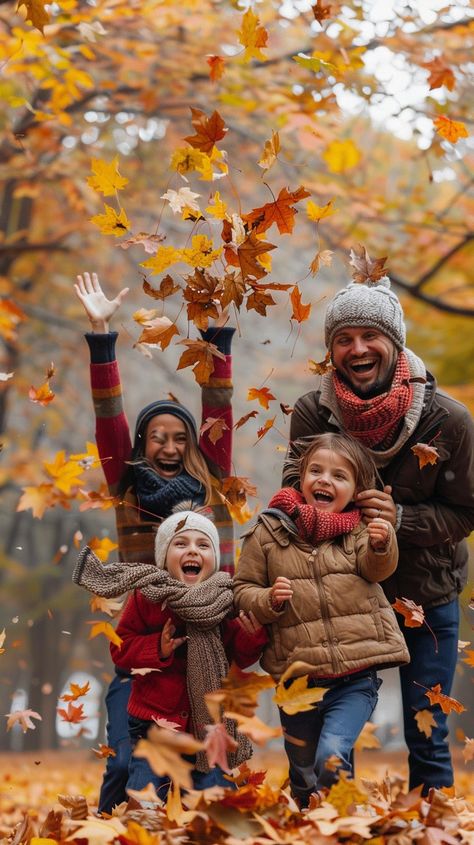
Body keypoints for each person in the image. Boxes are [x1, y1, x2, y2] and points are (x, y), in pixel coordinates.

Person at [283, 276, 474, 796]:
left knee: (426, 730)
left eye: (370, 335)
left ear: (395, 342)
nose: (357, 348)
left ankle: (433, 827)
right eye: (344, 339)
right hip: (341, 597)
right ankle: (325, 823)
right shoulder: (313, 413)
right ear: (332, 351)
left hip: (425, 595)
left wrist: (399, 522)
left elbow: (465, 511)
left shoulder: (449, 420)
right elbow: (292, 497)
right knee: (321, 732)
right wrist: (347, 517)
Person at [74, 271, 236, 813]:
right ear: (142, 444)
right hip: (146, 640)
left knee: (207, 768)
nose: (168, 445)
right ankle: (109, 822)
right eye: (156, 437)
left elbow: (217, 405)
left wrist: (216, 339)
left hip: (209, 636)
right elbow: (108, 414)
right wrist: (102, 337)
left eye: (179, 437)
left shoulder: (212, 479)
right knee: (125, 760)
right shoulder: (126, 483)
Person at [233, 432, 410, 809]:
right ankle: (309, 822)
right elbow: (242, 589)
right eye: (316, 470)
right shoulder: (270, 530)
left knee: (331, 755)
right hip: (297, 681)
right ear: (301, 478)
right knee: (303, 773)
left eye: (339, 476)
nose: (325, 480)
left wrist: (383, 544)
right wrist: (268, 601)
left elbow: (376, 569)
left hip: (354, 677)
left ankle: (341, 821)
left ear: (356, 489)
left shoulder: (360, 530)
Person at [74, 508, 267, 800]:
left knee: (213, 800)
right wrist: (157, 648)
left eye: (203, 545)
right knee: (147, 796)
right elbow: (120, 648)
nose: (193, 551)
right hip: (156, 725)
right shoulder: (148, 596)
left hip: (208, 726)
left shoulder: (224, 600)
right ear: (164, 556)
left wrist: (251, 636)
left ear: (214, 559)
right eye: (181, 544)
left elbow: (239, 655)